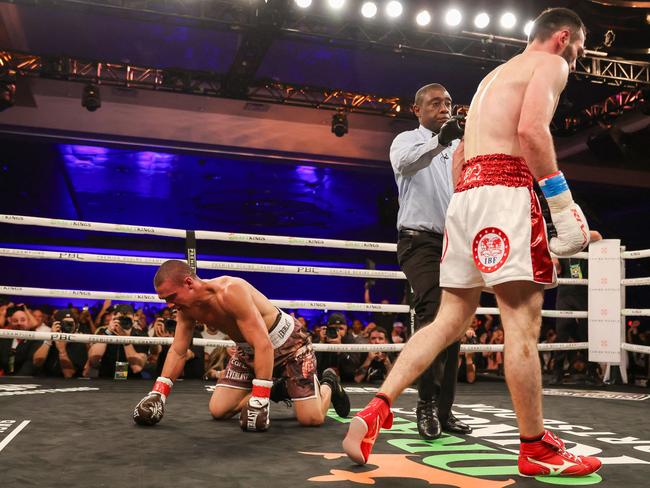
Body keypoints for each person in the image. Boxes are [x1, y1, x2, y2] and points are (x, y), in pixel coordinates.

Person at [343, 7, 603, 477]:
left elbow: (461, 157)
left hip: (465, 199)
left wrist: (497, 209)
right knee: (522, 321)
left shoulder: (493, 77)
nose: (579, 59)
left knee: (447, 320)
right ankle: (535, 448)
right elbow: (530, 131)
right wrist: (562, 211)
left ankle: (376, 409)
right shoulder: (550, 63)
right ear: (563, 37)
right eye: (580, 48)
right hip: (504, 191)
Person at [133, 260, 350, 431]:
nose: (169, 305)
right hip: (248, 350)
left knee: (311, 419)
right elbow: (179, 350)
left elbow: (263, 343)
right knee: (219, 410)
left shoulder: (230, 291)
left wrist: (260, 397)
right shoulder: (185, 308)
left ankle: (328, 382)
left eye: (171, 297)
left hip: (288, 344)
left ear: (189, 283)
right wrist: (158, 393)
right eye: (165, 300)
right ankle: (280, 387)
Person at [390, 82, 471, 440]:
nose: (444, 108)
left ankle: (444, 409)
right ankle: (425, 405)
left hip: (454, 243)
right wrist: (440, 140)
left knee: (455, 325)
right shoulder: (406, 140)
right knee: (434, 313)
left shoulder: (459, 148)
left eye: (448, 103)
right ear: (417, 109)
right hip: (418, 242)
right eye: (435, 103)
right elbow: (407, 165)